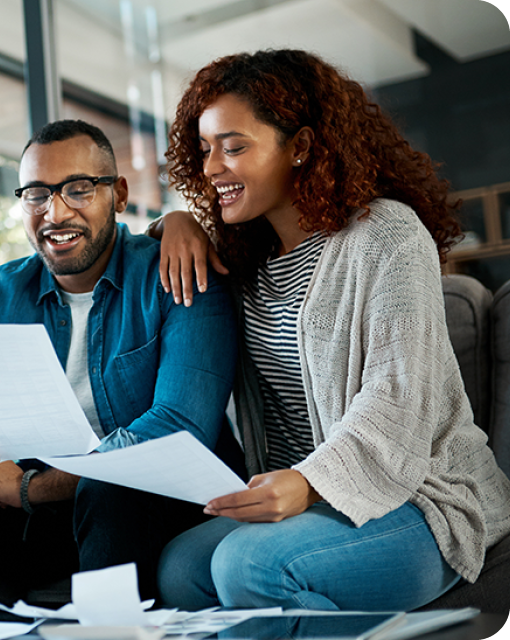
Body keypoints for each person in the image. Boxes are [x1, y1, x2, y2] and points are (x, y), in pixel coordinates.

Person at [151, 48, 510, 612]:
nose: (212, 167)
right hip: (305, 506)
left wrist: (309, 482)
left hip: (417, 496)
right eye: (204, 150)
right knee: (180, 570)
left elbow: (398, 400)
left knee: (245, 565)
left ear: (301, 147)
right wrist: (174, 222)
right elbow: (140, 249)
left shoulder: (387, 235)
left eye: (234, 146)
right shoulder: (242, 257)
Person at [0, 119, 240, 602]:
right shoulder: (4, 291)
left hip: (152, 505)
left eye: (79, 190)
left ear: (118, 193)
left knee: (111, 487)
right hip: (46, 516)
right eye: (37, 195)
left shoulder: (175, 273)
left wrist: (28, 489)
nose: (55, 212)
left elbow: (177, 427)